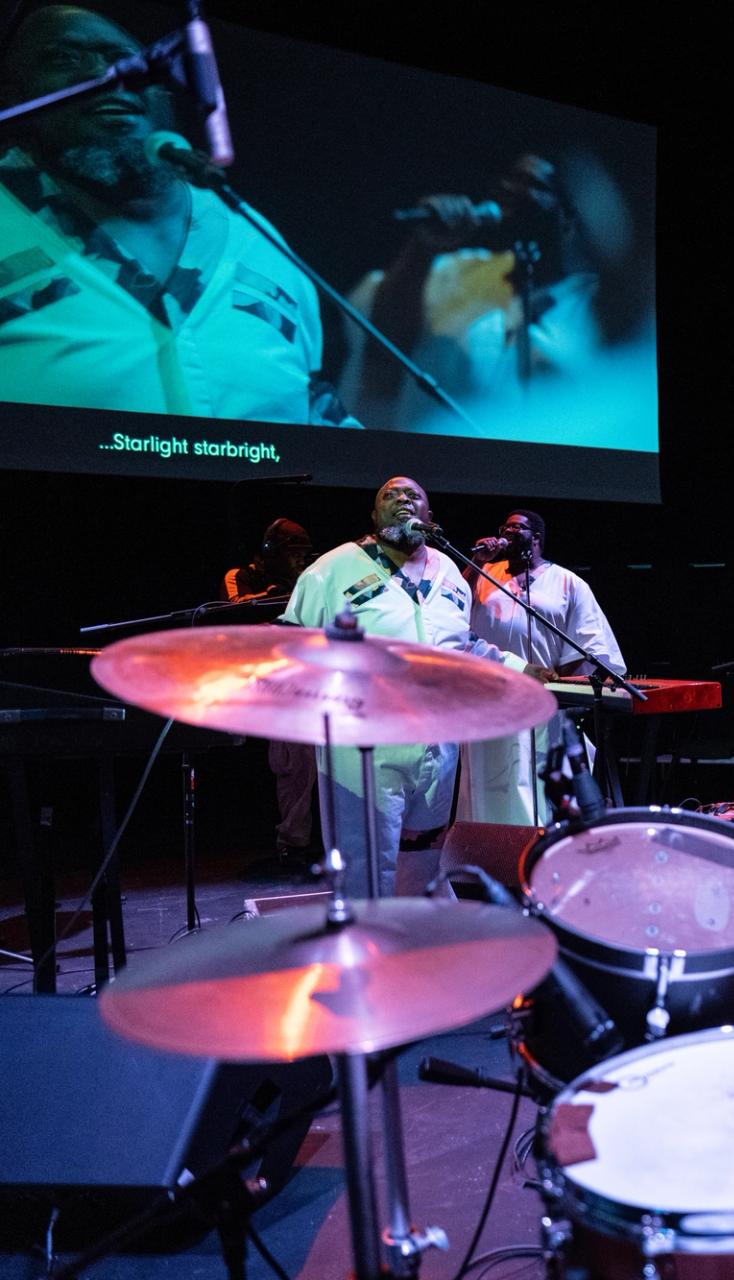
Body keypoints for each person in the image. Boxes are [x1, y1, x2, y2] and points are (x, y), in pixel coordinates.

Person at [0, 6, 355, 425]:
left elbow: (310, 400)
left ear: (164, 95)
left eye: (127, 61)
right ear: (13, 98)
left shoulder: (255, 235)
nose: (106, 75)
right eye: (64, 58)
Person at [281, 476, 532, 895]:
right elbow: (290, 646)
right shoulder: (330, 568)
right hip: (363, 745)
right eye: (389, 495)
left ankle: (418, 948)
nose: (402, 499)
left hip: (439, 744)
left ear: (429, 517)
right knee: (364, 866)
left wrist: (522, 667)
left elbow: (461, 646)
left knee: (424, 860)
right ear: (374, 515)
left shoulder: (450, 570)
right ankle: (365, 952)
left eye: (413, 495)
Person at [339, 153, 598, 431]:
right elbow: (381, 338)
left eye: (533, 184)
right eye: (509, 179)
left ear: (569, 213)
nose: (511, 189)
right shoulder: (458, 271)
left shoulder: (594, 303)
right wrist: (423, 247)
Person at [456, 507, 625, 826]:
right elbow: (452, 609)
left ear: (536, 538)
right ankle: (495, 865)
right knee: (490, 798)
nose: (506, 532)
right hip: (488, 705)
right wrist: (477, 563)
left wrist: (563, 690)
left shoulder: (567, 583)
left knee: (543, 797)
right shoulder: (484, 576)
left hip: (546, 704)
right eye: (503, 526)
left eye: (515, 528)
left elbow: (590, 646)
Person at [224, 517, 316, 862]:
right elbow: (236, 616)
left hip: (305, 684)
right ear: (271, 552)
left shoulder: (307, 583)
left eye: (305, 554)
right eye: (295, 553)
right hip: (263, 685)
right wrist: (276, 601)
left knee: (306, 764)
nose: (301, 561)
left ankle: (302, 841)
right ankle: (291, 843)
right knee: (292, 763)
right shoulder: (242, 578)